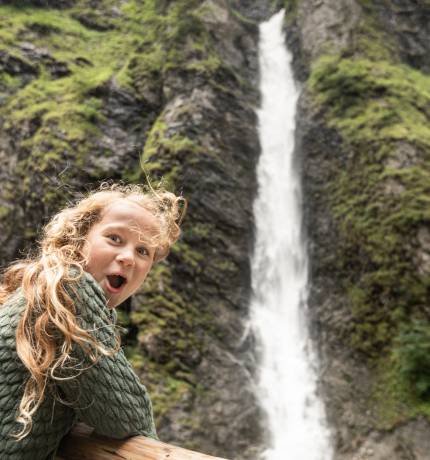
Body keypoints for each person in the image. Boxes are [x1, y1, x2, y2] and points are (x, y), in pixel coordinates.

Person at [0, 183, 186, 460]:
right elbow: (127, 417)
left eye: (143, 251)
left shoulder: (44, 287)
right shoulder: (71, 288)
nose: (128, 258)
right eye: (115, 238)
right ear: (78, 239)